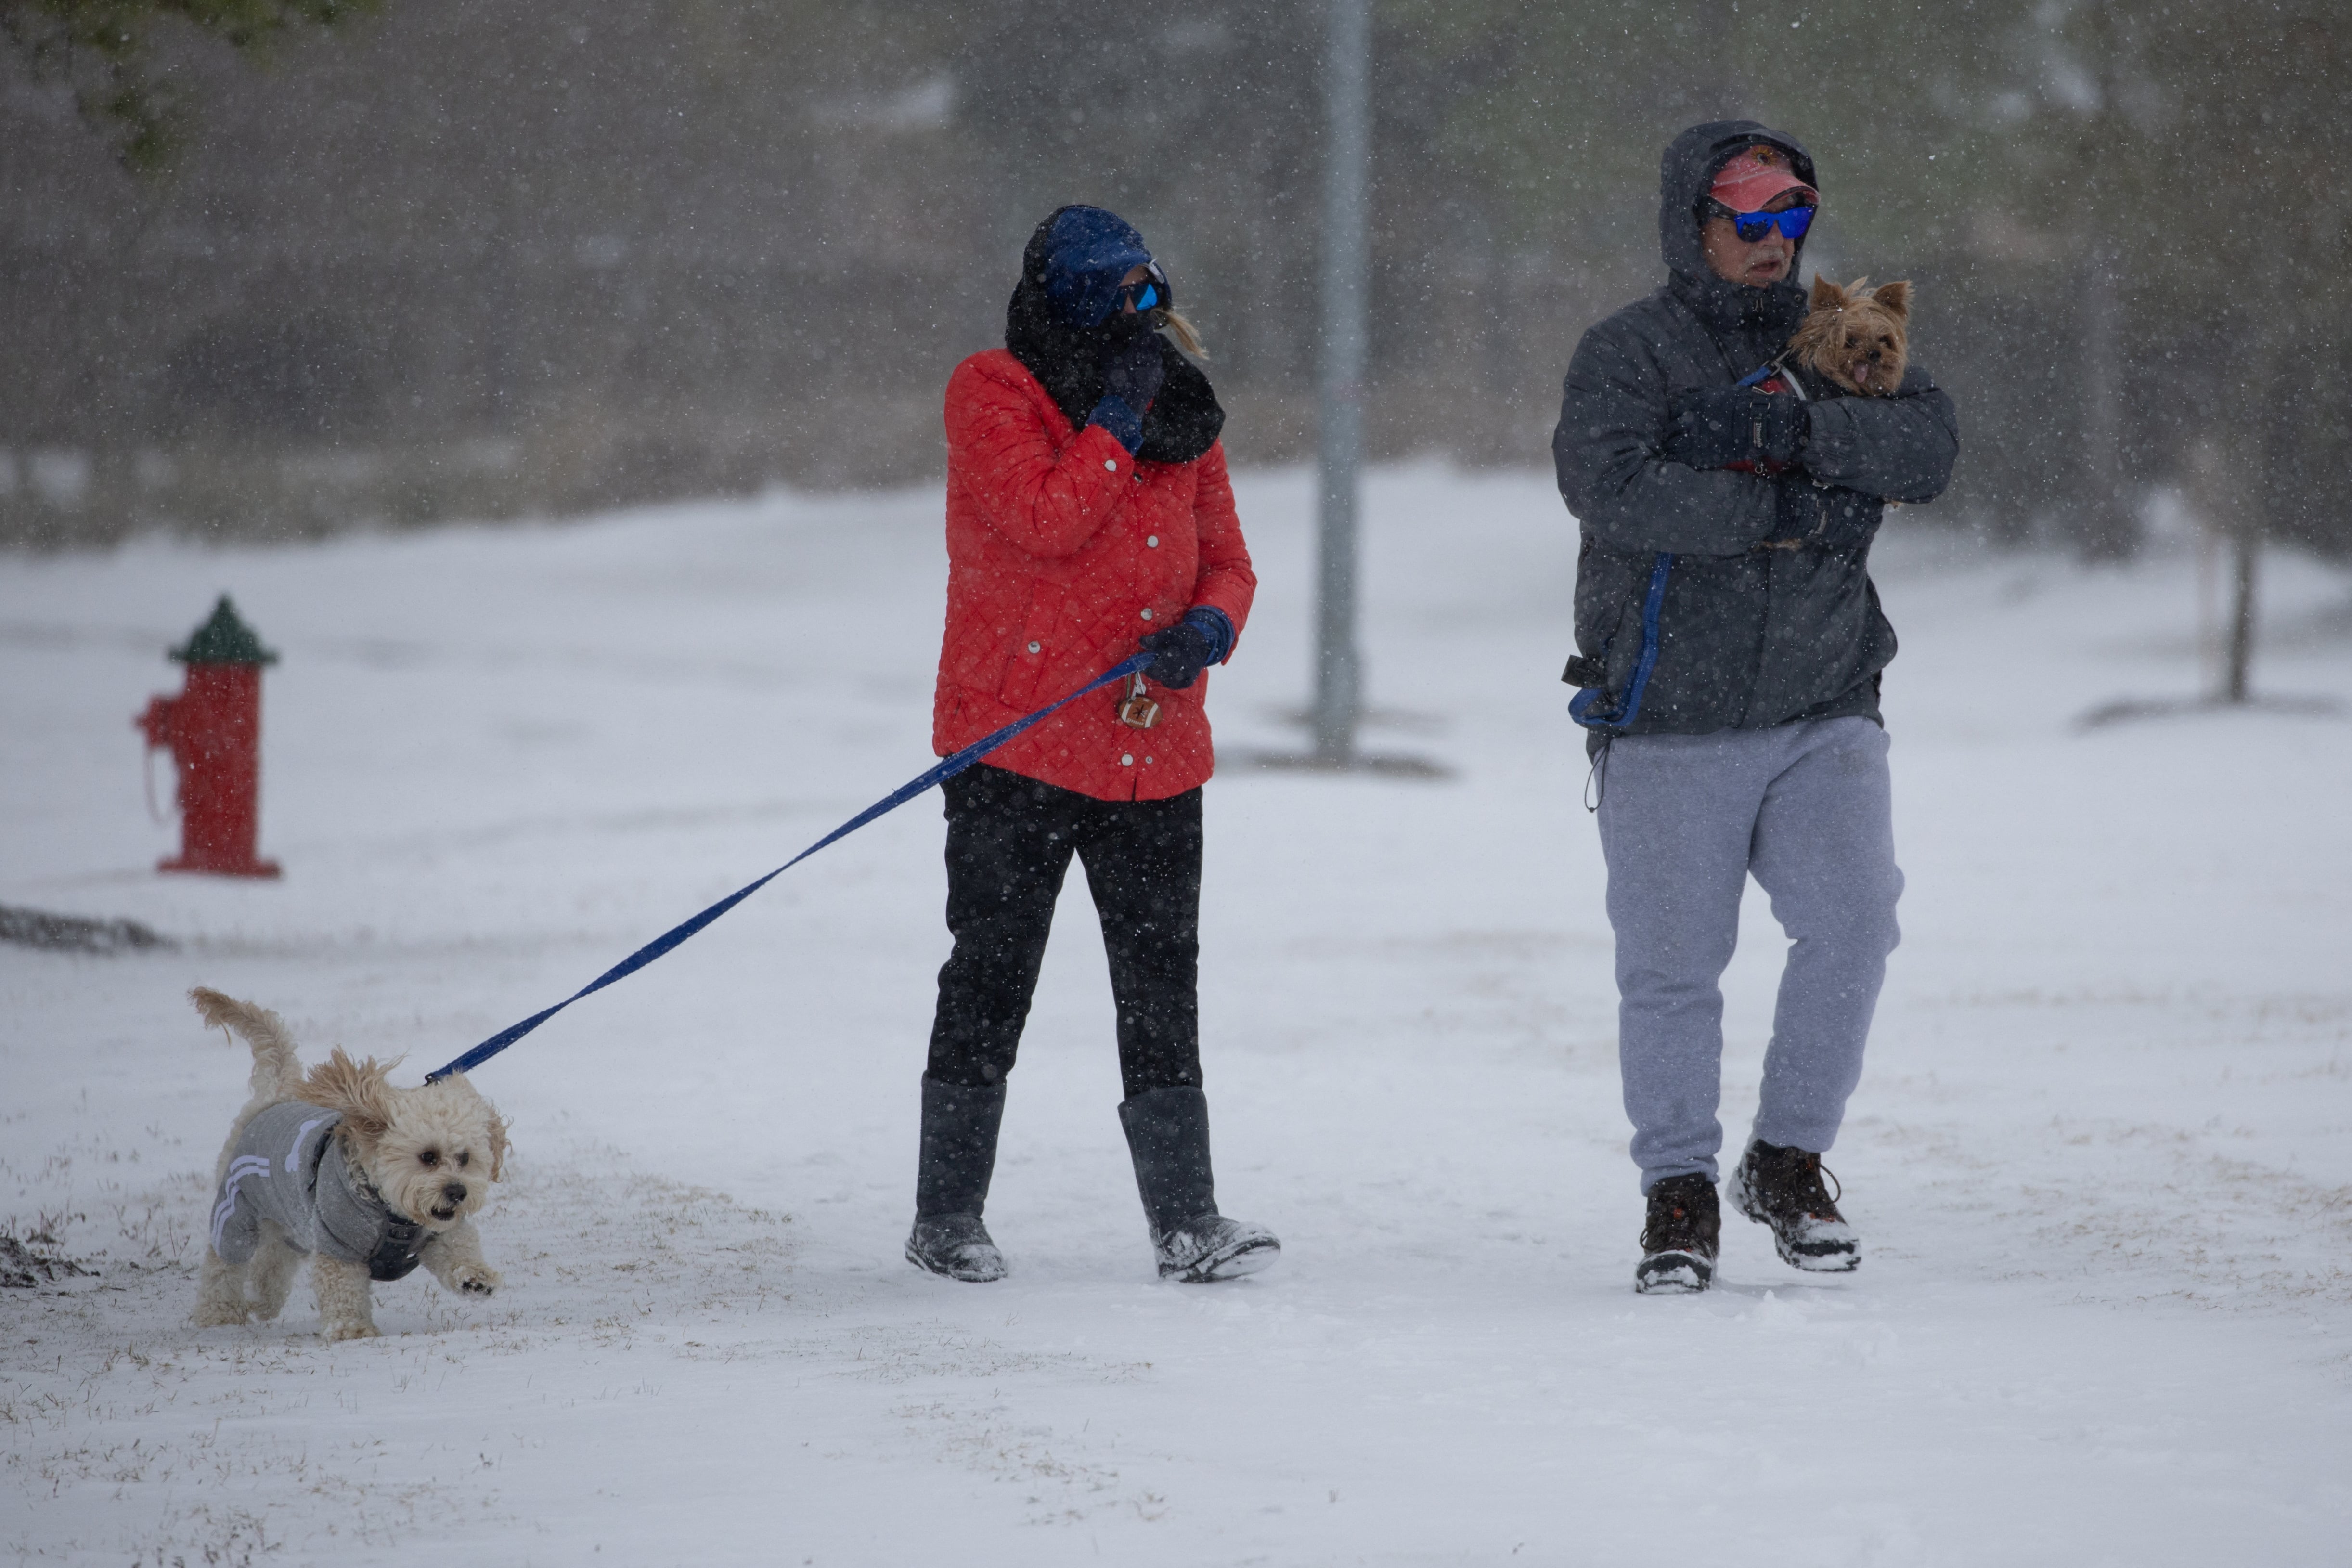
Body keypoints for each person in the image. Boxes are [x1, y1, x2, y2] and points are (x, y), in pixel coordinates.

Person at [1552, 123, 1958, 1293]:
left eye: (1793, 219)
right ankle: (1677, 1191)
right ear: (1695, 223)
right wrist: (1784, 512)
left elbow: (1925, 445)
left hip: (1827, 699)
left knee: (1852, 925)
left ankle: (1786, 1163)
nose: (1774, 243)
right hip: (1671, 713)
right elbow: (1612, 488)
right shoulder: (1627, 350)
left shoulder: (1837, 329)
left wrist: (1793, 430)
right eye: (1749, 220)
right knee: (1674, 970)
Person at [905, 205, 1279, 1285]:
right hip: (1014, 751)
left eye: (1148, 292)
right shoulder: (992, 391)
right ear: (1064, 297)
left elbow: (1231, 561)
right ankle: (947, 1219)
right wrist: (1116, 417)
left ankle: (1187, 1219)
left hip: (1154, 747)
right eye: (1120, 296)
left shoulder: (1179, 404)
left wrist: (1211, 626)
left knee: (1162, 982)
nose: (1142, 316)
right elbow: (1043, 520)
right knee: (991, 977)